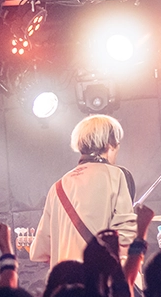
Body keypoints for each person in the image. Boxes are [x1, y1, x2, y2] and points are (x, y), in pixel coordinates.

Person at [30, 115, 138, 268]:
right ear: (110, 145)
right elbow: (126, 234)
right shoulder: (115, 175)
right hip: (100, 276)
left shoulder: (57, 187)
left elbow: (40, 250)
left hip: (67, 279)